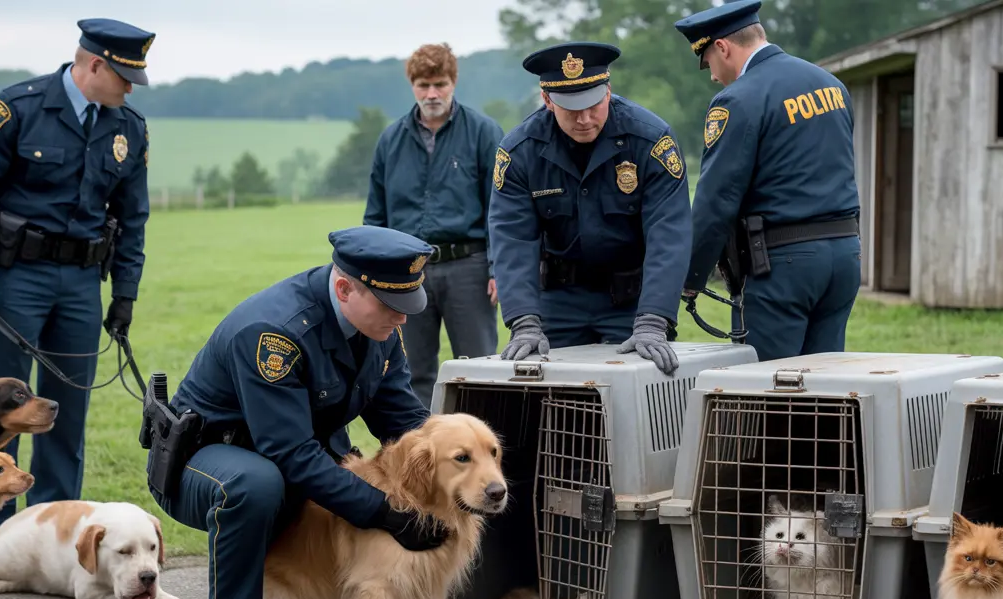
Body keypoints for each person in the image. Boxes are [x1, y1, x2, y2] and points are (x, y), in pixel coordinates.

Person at [148, 225, 450, 599]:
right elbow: (290, 455)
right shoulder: (274, 333)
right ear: (345, 288)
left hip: (288, 457)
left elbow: (402, 421)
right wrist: (383, 511)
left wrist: (451, 465)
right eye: (392, 306)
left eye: (407, 305)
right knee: (257, 487)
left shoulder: (378, 326)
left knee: (334, 476)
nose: (402, 319)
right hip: (208, 463)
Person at [0, 18, 153, 525]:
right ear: (94, 64)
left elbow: (133, 217)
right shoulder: (16, 109)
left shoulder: (128, 128)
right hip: (14, 276)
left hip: (82, 282)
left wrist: (124, 293)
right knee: (3, 413)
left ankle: (51, 533)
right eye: (125, 76)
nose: (131, 87)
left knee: (65, 413)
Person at [487, 42, 690, 376]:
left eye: (593, 104)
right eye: (571, 108)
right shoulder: (519, 152)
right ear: (547, 100)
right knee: (553, 403)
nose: (584, 118)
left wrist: (654, 319)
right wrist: (523, 321)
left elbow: (669, 234)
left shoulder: (650, 141)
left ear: (608, 91)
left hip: (631, 302)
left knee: (636, 398)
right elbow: (513, 239)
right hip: (560, 299)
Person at [674, 1, 862, 362]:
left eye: (708, 62)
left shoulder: (737, 99)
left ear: (722, 47)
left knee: (764, 397)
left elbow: (716, 201)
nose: (713, 75)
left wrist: (689, 279)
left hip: (783, 267)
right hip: (844, 256)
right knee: (824, 389)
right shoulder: (831, 85)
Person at [363, 43, 505, 408]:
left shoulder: (484, 133)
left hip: (469, 267)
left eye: (439, 84)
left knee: (479, 370)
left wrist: (498, 269)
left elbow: (501, 209)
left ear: (453, 82)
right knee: (409, 373)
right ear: (412, 85)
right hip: (407, 272)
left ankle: (481, 455)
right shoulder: (390, 141)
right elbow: (376, 217)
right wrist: (373, 276)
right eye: (423, 85)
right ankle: (422, 459)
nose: (432, 94)